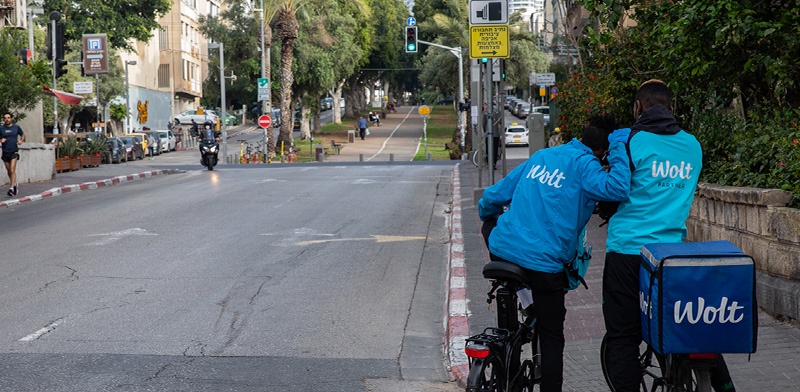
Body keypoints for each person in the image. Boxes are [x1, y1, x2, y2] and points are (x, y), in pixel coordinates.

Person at [478, 115, 631, 392]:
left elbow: (492, 197)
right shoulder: (588, 166)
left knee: (491, 224)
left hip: (503, 252)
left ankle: (522, 302)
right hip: (544, 267)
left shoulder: (542, 156)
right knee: (551, 335)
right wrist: (620, 145)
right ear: (604, 150)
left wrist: (489, 216)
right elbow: (618, 187)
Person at [601, 79, 736, 392]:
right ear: (671, 108)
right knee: (689, 327)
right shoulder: (692, 145)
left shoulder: (631, 142)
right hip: (672, 255)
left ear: (637, 108)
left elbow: (612, 192)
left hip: (627, 252)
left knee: (623, 338)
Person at [0, 113, 25, 196]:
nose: (7, 119)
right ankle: (14, 184)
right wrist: (1, 140)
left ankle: (11, 188)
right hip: (5, 152)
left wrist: (21, 141)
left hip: (14, 151)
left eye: (8, 118)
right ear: (4, 120)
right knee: (8, 171)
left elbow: (23, 135)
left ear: (11, 119)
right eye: (5, 118)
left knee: (12, 169)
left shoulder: (16, 127)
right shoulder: (1, 128)